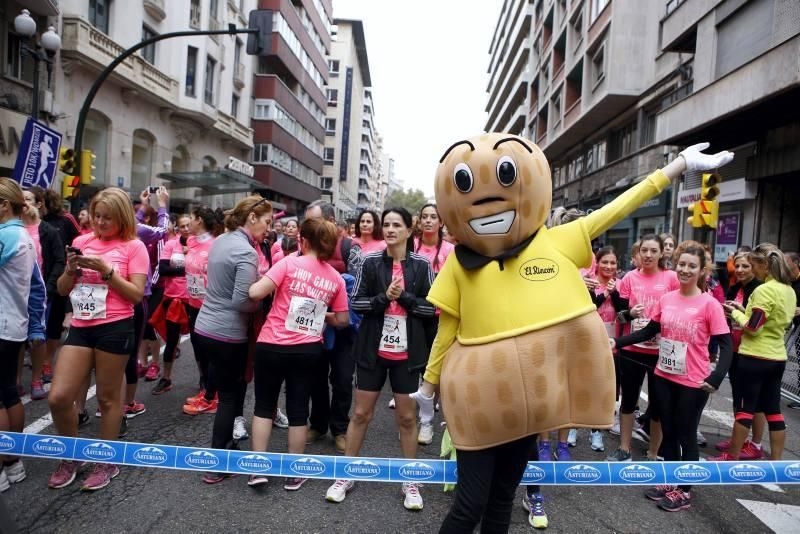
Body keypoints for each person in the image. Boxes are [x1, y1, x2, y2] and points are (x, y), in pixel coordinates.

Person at [326, 207, 435, 510]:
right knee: (361, 414)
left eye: (396, 225)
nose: (389, 229)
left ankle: (410, 480)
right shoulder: (370, 261)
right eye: (385, 224)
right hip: (372, 351)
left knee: (407, 417)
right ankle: (346, 475)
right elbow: (357, 303)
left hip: (407, 354)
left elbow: (432, 309)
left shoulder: (422, 265)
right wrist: (384, 298)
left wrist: (405, 298)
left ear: (409, 230)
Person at [612, 240, 732, 512]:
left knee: (686, 434)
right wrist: (616, 343)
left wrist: (716, 378)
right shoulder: (667, 299)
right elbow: (647, 332)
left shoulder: (708, 304)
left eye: (692, 266)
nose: (685, 270)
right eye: (682, 265)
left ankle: (685, 490)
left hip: (693, 381)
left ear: (702, 271)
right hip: (664, 375)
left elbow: (726, 346)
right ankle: (670, 481)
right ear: (676, 266)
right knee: (668, 433)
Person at [48, 187, 149, 491]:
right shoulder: (81, 241)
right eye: (97, 216)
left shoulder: (134, 247)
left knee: (107, 399)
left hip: (115, 327)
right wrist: (70, 270)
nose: (101, 222)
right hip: (81, 324)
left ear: (122, 218)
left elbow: (135, 295)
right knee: (59, 397)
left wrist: (107, 272)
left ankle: (107, 460)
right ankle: (71, 456)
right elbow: (64, 290)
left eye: (108, 218)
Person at [247, 218, 350, 490]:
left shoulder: (289, 263)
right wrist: (318, 312)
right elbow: (342, 320)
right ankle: (294, 471)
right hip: (307, 350)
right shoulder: (335, 278)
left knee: (263, 406)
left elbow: (255, 292)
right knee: (298, 408)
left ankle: (257, 468)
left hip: (270, 344)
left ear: (303, 240)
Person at [193, 196, 272, 484]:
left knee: (230, 391)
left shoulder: (221, 241)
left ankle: (227, 446)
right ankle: (218, 462)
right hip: (228, 333)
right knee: (228, 397)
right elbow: (243, 302)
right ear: (252, 218)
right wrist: (262, 298)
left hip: (203, 328)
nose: (268, 228)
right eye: (266, 221)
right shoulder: (246, 252)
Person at [712, 244, 796, 462]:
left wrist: (735, 314)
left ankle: (731, 457)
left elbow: (753, 327)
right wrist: (744, 311)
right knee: (773, 410)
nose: (752, 270)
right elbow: (767, 321)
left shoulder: (764, 290)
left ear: (764, 266)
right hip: (777, 356)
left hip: (755, 356)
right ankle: (776, 462)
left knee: (745, 409)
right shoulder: (788, 290)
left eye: (754, 265)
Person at [606, 234, 679, 463]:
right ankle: (625, 449)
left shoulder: (672, 278)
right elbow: (619, 314)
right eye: (644, 250)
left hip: (661, 351)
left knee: (658, 404)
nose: (648, 255)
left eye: (653, 251)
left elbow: (680, 308)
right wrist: (631, 313)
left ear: (661, 253)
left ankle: (653, 453)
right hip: (632, 349)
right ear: (639, 252)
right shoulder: (629, 278)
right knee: (629, 400)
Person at [0, 178, 44, 490]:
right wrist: (35, 326)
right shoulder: (26, 236)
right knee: (9, 393)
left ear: (4, 204)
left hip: (2, 324)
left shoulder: (6, 235)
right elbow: (38, 289)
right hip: (13, 326)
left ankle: (3, 467)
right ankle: (13, 463)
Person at [411, 203, 455, 444]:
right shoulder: (412, 247)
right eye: (424, 217)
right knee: (416, 368)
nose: (428, 221)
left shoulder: (450, 250)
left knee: (437, 371)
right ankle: (415, 418)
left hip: (441, 318)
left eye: (433, 217)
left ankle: (427, 421)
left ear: (441, 222)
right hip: (414, 315)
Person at [714, 250, 765, 456]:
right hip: (735, 348)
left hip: (752, 350)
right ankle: (738, 438)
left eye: (746, 266)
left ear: (755, 267)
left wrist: (737, 310)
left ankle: (755, 444)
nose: (741, 270)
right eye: (738, 266)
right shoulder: (737, 287)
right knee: (738, 397)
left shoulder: (760, 289)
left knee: (755, 401)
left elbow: (757, 322)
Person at [20, 191, 64, 400]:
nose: (24, 203)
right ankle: (17, 381)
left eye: (28, 199)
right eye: (20, 200)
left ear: (37, 203)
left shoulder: (48, 230)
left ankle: (37, 379)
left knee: (38, 338)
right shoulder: (12, 228)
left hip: (41, 293)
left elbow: (59, 260)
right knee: (17, 338)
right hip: (16, 292)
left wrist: (49, 287)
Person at [181, 207, 224, 415]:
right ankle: (207, 390)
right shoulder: (190, 242)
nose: (188, 223)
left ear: (199, 220)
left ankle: (212, 397)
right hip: (192, 304)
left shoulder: (216, 244)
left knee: (210, 352)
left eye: (191, 218)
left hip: (210, 307)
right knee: (198, 351)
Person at [585, 246, 623, 453]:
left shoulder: (620, 284)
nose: (609, 266)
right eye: (605, 262)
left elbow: (623, 313)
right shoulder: (588, 282)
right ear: (597, 263)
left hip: (612, 343)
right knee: (583, 385)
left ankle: (596, 430)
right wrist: (605, 292)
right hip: (587, 343)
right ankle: (574, 426)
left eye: (613, 263)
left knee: (604, 389)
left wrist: (615, 292)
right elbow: (589, 307)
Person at [149, 214, 191, 394]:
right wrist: (187, 266)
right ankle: (166, 378)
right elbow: (164, 269)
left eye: (189, 225)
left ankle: (205, 380)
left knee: (199, 341)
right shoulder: (171, 244)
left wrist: (180, 268)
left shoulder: (203, 244)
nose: (186, 229)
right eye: (182, 226)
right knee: (172, 340)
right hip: (173, 297)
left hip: (194, 299)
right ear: (177, 228)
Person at [137, 188, 170, 382]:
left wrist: (150, 284)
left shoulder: (153, 237)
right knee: (141, 326)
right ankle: (142, 362)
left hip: (154, 287)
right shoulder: (135, 232)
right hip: (140, 286)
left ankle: (155, 362)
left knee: (151, 325)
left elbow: (159, 264)